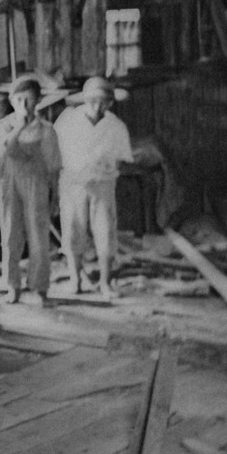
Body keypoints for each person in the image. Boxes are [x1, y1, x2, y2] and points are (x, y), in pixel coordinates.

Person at [56, 75, 136, 299]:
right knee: (73, 231)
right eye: (93, 100)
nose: (98, 105)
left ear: (110, 102)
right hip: (74, 184)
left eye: (104, 101)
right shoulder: (68, 120)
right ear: (84, 98)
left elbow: (120, 159)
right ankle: (75, 279)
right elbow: (55, 153)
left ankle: (105, 282)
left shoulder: (116, 126)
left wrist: (106, 167)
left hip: (103, 184)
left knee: (105, 231)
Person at [0, 74, 60, 305]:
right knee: (11, 236)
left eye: (29, 100)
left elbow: (53, 168)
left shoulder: (47, 130)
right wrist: (18, 128)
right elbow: (7, 151)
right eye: (19, 99)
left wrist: (55, 196)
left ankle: (40, 289)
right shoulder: (2, 127)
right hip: (10, 184)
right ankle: (13, 287)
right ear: (11, 100)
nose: (24, 105)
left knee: (39, 238)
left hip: (36, 185)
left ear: (38, 100)